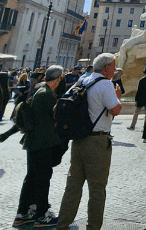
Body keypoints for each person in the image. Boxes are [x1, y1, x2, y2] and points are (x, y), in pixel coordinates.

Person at [55, 53, 122, 230]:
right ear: (107, 68)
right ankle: (93, 227)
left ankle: (62, 224)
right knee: (97, 189)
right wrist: (118, 97)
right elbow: (114, 110)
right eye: (114, 65)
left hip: (78, 140)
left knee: (73, 186)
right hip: (97, 142)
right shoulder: (106, 84)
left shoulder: (82, 81)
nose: (115, 69)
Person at [13, 65, 68, 227]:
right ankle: (42, 214)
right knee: (43, 179)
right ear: (58, 80)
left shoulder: (39, 90)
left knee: (31, 178)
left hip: (34, 142)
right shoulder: (47, 95)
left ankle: (23, 213)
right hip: (43, 143)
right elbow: (58, 116)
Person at [128, 65, 146, 132]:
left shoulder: (142, 80)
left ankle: (132, 125)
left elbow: (139, 91)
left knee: (136, 113)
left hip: (141, 98)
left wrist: (136, 99)